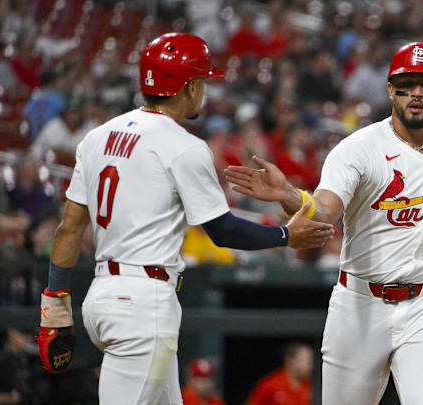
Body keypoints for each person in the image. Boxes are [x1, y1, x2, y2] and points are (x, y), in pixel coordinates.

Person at [224, 42, 423, 405]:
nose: (416, 94)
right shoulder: (358, 148)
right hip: (360, 301)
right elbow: (326, 208)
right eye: (406, 84)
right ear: (390, 90)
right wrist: (291, 197)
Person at [35, 32, 333, 405]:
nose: (205, 89)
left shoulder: (97, 137)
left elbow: (69, 228)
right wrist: (286, 236)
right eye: (202, 80)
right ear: (189, 87)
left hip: (100, 295)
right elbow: (223, 230)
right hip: (142, 304)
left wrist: (54, 304)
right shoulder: (183, 145)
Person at [246, 343, 313, 405]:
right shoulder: (270, 385)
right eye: (307, 362)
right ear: (290, 361)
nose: (310, 366)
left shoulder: (311, 386)